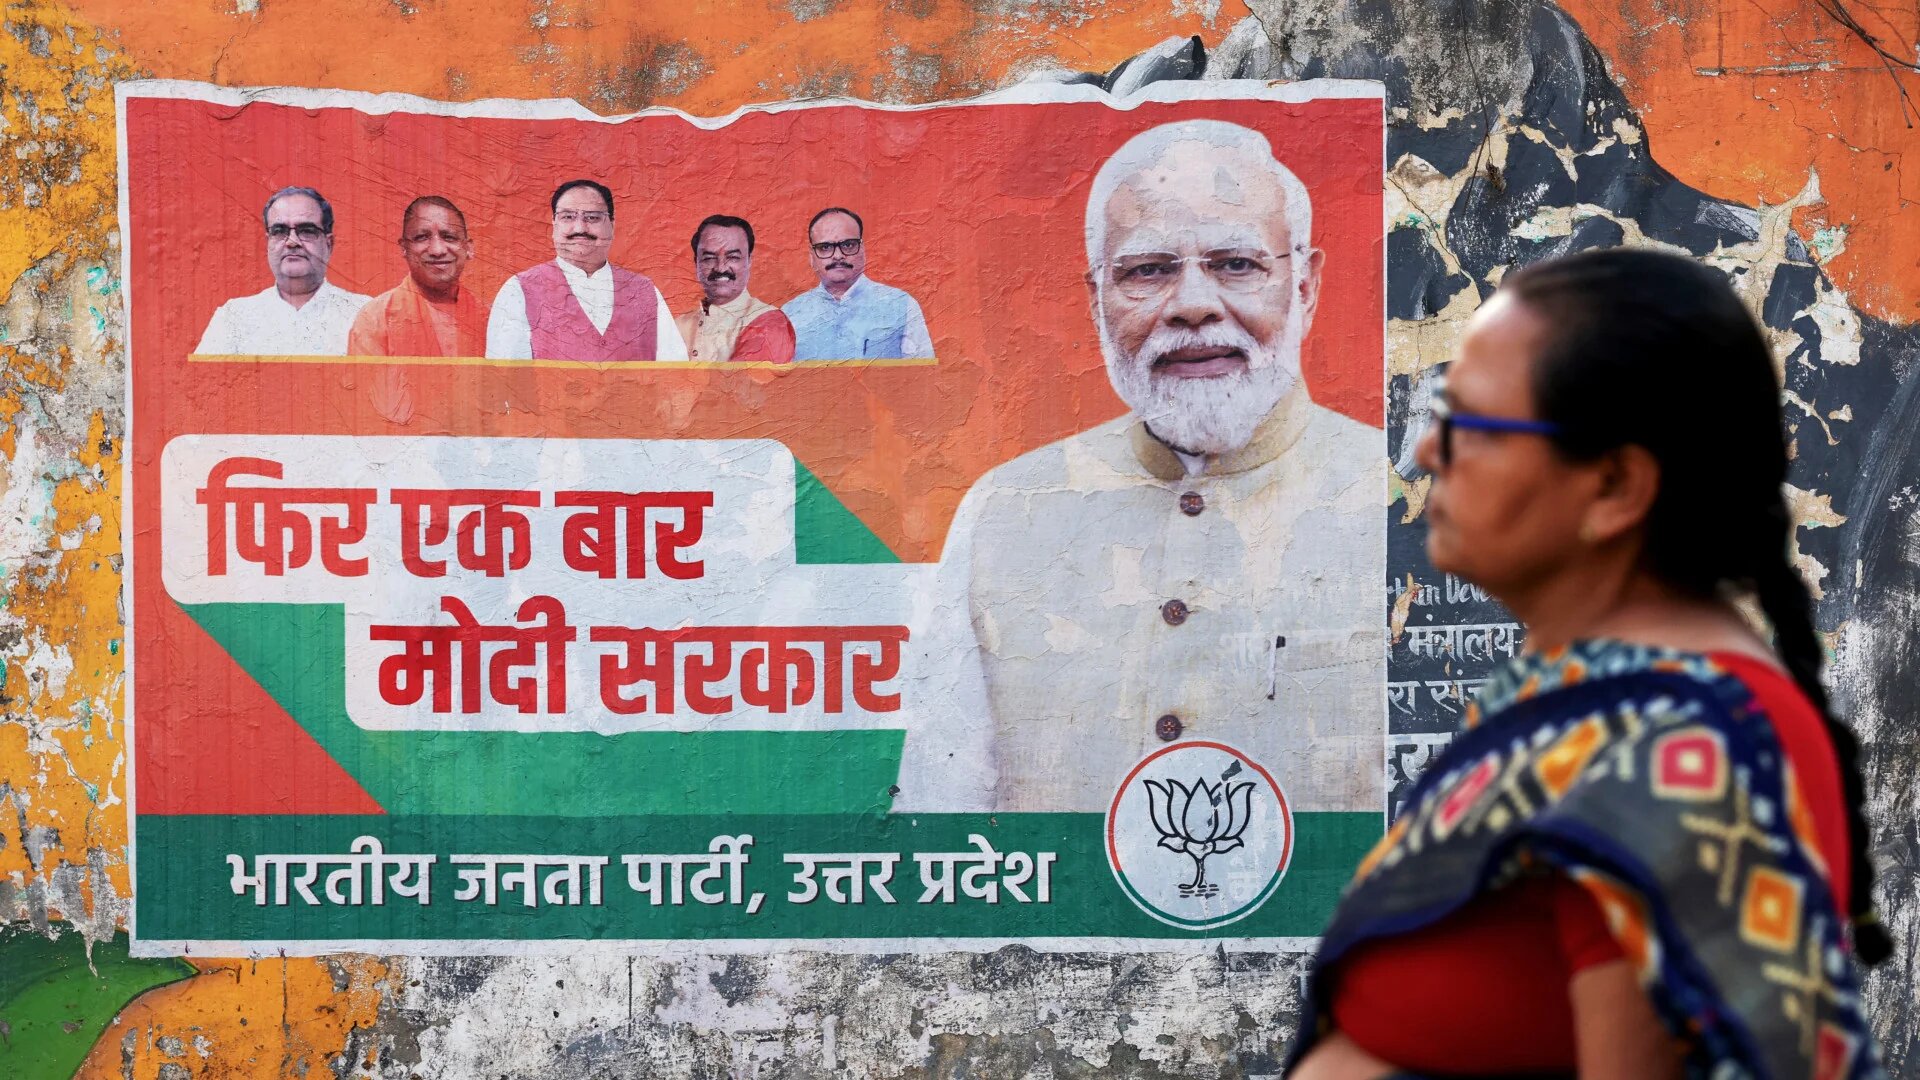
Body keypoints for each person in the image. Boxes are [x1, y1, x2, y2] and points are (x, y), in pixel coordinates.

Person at [1286, 249, 1887, 1079]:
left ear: (1613, 486)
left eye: (1469, 423)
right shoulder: (1595, 696)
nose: (1426, 452)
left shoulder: (1688, 758)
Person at [917, 120, 1382, 814]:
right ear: (1095, 301)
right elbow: (940, 836)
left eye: (1236, 264)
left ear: (1306, 286)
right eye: (1148, 271)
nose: (1193, 306)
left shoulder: (1421, 503)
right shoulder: (1005, 514)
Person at [485, 179, 688, 361]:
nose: (580, 228)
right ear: (553, 225)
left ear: (612, 225)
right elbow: (506, 383)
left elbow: (674, 376)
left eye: (592, 218)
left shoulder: (644, 291)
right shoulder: (519, 290)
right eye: (568, 217)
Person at [195, 186, 371, 355]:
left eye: (306, 230)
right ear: (268, 242)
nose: (292, 241)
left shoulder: (364, 313)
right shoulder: (233, 318)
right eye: (279, 231)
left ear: (328, 243)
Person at [782, 208, 933, 360]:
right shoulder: (790, 315)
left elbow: (924, 376)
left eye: (848, 245)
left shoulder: (902, 305)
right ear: (812, 256)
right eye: (825, 247)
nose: (838, 256)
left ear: (862, 249)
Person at [347, 196, 486, 357]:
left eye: (449, 237)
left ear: (468, 248)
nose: (437, 250)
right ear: (404, 248)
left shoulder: (489, 318)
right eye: (422, 237)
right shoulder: (376, 319)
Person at [673, 214, 795, 363]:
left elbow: (740, 385)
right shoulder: (677, 326)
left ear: (749, 261)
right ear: (696, 263)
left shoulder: (770, 322)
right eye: (709, 258)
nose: (720, 267)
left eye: (733, 257)